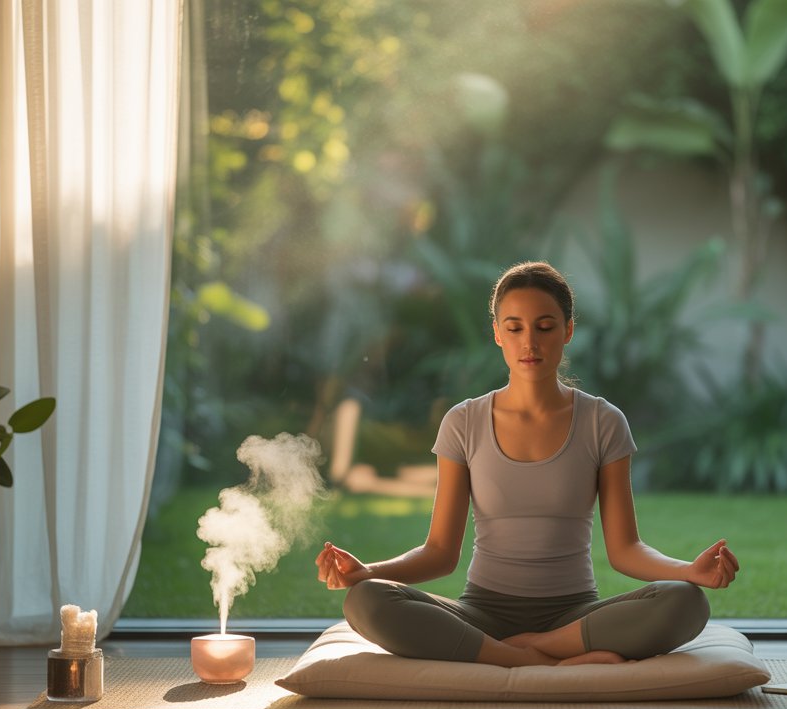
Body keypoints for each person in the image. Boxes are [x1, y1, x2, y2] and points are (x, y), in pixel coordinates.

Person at [315, 261, 739, 667]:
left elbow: (626, 550)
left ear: (569, 330)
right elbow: (440, 554)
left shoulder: (602, 421)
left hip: (575, 618)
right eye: (514, 328)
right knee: (365, 599)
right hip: (481, 614)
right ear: (497, 334)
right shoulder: (463, 422)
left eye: (545, 327)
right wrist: (368, 572)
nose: (529, 343)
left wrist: (690, 571)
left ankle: (532, 648)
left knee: (684, 601)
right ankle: (535, 659)